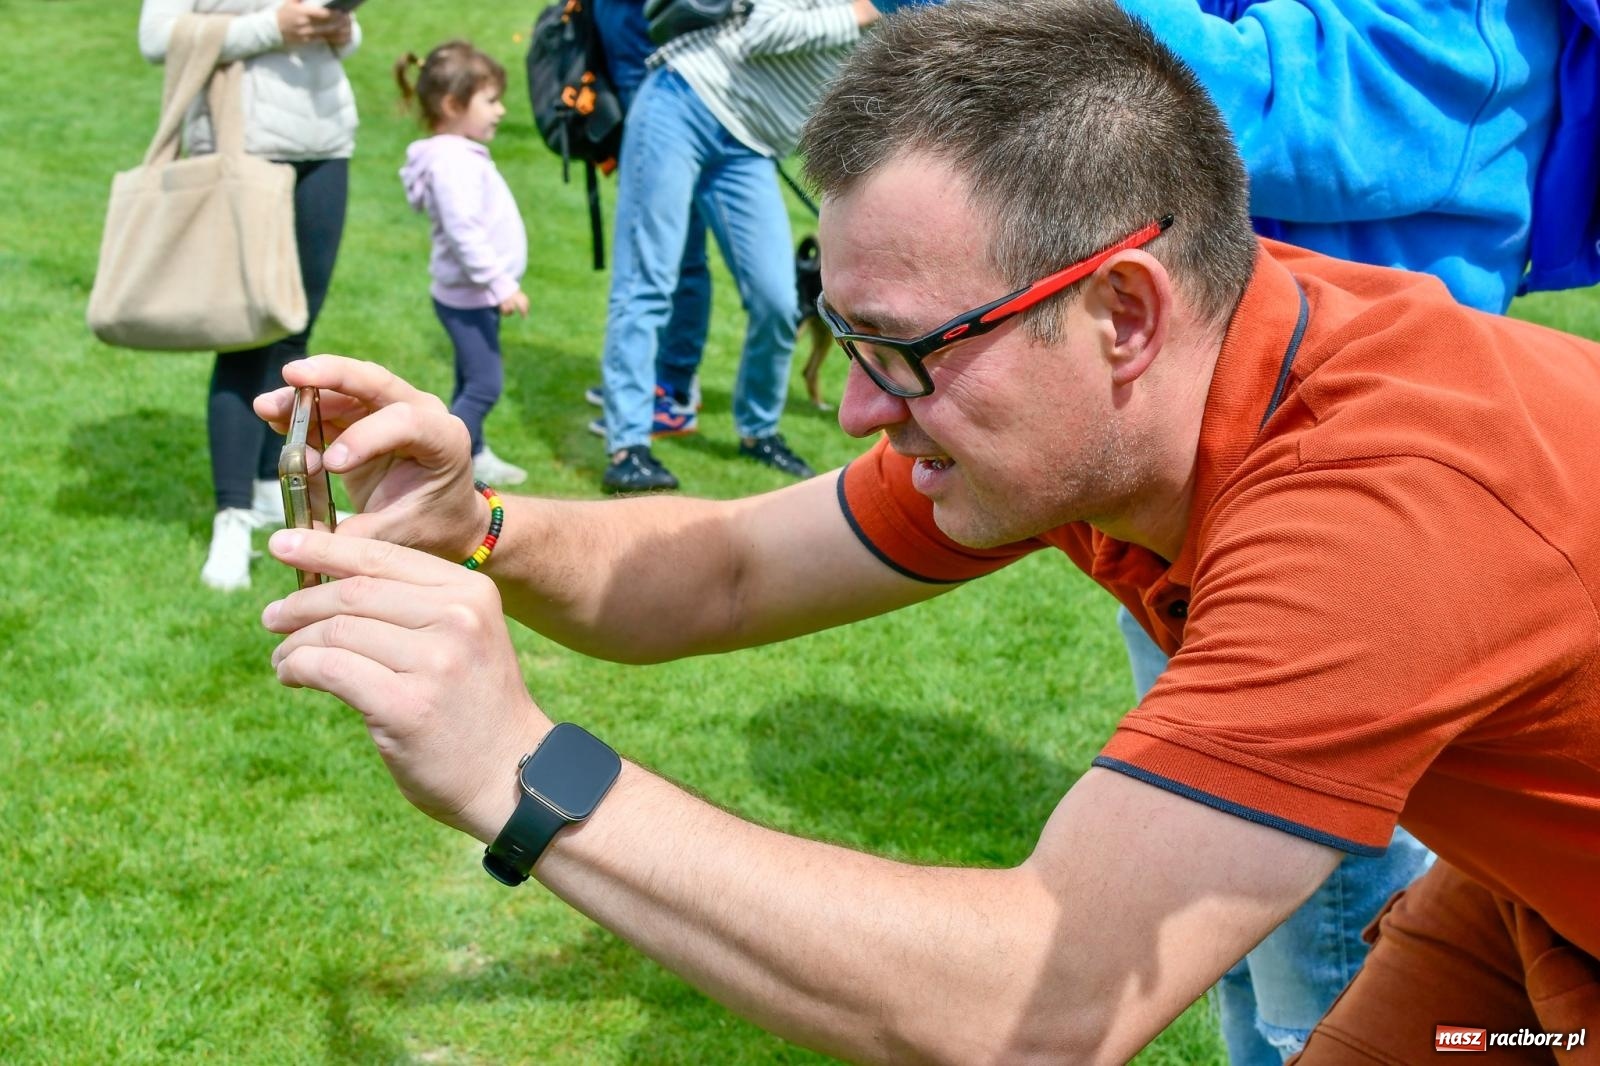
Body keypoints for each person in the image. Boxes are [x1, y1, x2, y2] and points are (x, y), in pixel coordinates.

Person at [258, 0, 1600, 1056]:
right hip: (1530, 900)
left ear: (1124, 313)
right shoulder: (1129, 391)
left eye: (902, 349)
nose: (856, 406)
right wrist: (477, 522)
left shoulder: (1374, 501)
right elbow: (726, 573)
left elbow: (1032, 1005)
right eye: (845, 337)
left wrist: (520, 768)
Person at [1099, 1, 1564, 1058]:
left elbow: (1246, 104)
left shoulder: (1476, 20)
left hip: (1352, 543)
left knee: (1331, 980)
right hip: (1226, 502)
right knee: (1229, 936)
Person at [594, 0, 880, 492]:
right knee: (647, 283)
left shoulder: (911, 18)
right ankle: (629, 447)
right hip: (684, 99)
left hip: (750, 147)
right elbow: (761, 30)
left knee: (777, 300)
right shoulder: (868, 10)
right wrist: (860, 13)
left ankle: (759, 431)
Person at [139, 0, 360, 592]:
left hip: (325, 141)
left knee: (297, 332)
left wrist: (340, 26)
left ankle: (269, 487)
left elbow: (344, 36)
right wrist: (273, 27)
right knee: (244, 335)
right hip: (242, 149)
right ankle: (231, 516)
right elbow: (157, 37)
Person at [396, 41, 530, 489]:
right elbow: (464, 232)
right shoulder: (453, 164)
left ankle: (473, 454)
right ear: (453, 105)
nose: (501, 110)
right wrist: (500, 284)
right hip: (472, 296)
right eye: (490, 101)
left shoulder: (451, 156)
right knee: (485, 386)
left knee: (469, 380)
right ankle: (436, 469)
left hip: (471, 295)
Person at [583, 0, 714, 442]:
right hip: (627, 70)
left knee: (677, 255)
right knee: (654, 256)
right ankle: (641, 383)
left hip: (666, 75)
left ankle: (674, 388)